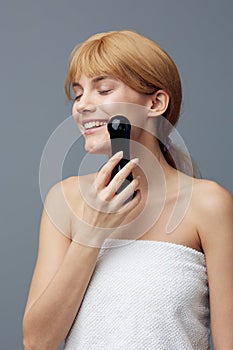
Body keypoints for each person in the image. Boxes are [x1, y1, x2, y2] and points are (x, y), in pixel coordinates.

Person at [22, 30, 233, 350]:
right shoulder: (64, 201)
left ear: (156, 102)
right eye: (78, 95)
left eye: (103, 89)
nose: (82, 106)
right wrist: (91, 233)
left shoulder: (207, 204)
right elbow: (37, 342)